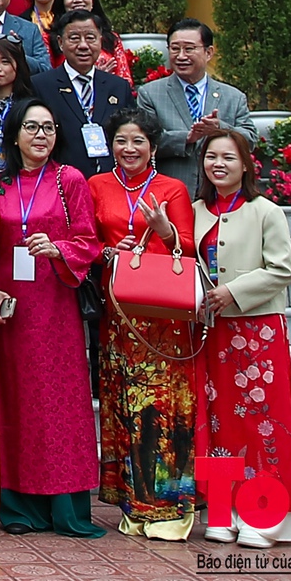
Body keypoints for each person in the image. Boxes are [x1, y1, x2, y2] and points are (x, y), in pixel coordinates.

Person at [0, 102, 105, 536]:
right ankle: (20, 509)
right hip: (11, 309)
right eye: (31, 127)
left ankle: (67, 510)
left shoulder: (68, 179)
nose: (41, 135)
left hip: (55, 307)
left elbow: (89, 241)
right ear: (14, 134)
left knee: (60, 407)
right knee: (13, 403)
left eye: (49, 127)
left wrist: (60, 249)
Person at [193, 126, 291, 550]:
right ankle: (223, 512)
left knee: (263, 425)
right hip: (211, 330)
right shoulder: (196, 209)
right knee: (219, 422)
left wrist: (233, 291)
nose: (218, 164)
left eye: (228, 157)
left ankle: (265, 515)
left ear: (245, 165)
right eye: (211, 157)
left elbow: (281, 269)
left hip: (256, 332)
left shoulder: (266, 211)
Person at [92, 107, 198, 540]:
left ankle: (168, 508)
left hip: (162, 320)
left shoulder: (171, 188)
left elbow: (189, 249)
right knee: (122, 407)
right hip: (118, 312)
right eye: (121, 140)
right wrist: (106, 252)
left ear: (153, 147)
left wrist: (166, 231)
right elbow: (89, 238)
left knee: (160, 411)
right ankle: (131, 504)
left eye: (138, 141)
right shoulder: (97, 185)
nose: (128, 148)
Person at [138, 19, 250, 196]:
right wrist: (187, 138)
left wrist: (220, 129)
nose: (181, 56)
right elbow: (144, 141)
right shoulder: (150, 93)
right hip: (171, 195)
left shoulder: (233, 97)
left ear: (208, 52)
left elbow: (249, 140)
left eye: (189, 49)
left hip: (220, 195)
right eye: (175, 49)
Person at [31, 12, 138, 177]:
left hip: (111, 182)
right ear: (60, 43)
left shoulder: (118, 87)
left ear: (100, 41)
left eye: (90, 38)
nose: (83, 45)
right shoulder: (40, 85)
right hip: (59, 182)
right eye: (74, 38)